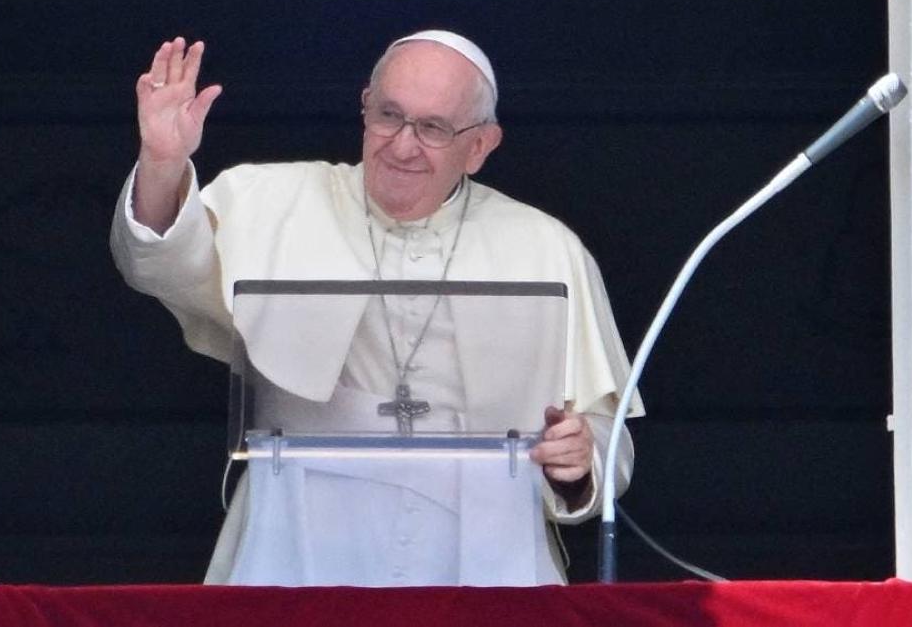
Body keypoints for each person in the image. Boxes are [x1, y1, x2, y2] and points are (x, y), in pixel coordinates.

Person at [110, 30, 640, 585]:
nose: (403, 146)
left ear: (480, 146)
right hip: (301, 530)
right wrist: (163, 163)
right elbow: (159, 266)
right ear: (365, 108)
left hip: (485, 546)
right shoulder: (270, 198)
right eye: (389, 115)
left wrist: (578, 458)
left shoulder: (546, 247)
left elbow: (606, 438)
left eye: (433, 128)